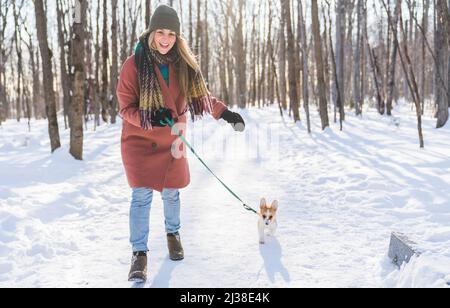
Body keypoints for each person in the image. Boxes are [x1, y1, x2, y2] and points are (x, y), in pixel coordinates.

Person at [116, 4, 245, 282]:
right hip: (140, 140)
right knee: (141, 197)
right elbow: (125, 109)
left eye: (171, 34)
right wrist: (150, 116)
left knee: (172, 191)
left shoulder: (184, 64)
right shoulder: (134, 65)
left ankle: (173, 233)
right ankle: (139, 254)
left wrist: (225, 113)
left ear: (177, 37)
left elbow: (202, 98)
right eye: (160, 32)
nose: (165, 38)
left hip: (173, 138)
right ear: (151, 32)